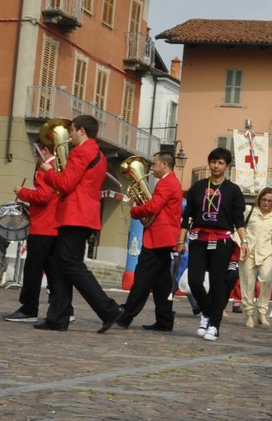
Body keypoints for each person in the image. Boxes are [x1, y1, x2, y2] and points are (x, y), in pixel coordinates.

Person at [35, 115, 123, 333]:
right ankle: (58, 317)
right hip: (84, 214)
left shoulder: (82, 151)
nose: (70, 135)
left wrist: (47, 172)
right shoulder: (98, 154)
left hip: (75, 214)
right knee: (62, 265)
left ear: (81, 131)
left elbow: (65, 184)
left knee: (71, 265)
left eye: (72, 130)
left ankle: (108, 309)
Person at [180, 148, 247, 342]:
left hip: (222, 240)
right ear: (209, 163)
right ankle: (208, 313)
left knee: (218, 284)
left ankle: (214, 326)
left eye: (220, 163)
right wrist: (180, 240)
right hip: (198, 239)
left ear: (227, 166)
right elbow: (188, 217)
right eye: (213, 161)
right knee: (194, 280)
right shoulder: (198, 187)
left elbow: (238, 219)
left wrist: (244, 241)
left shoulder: (233, 190)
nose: (216, 166)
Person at [114, 152, 182, 332]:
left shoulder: (166, 183)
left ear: (165, 165)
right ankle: (165, 320)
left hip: (158, 237)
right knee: (161, 282)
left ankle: (126, 316)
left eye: (154, 164)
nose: (151, 168)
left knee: (142, 278)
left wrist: (135, 210)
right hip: (163, 237)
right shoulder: (171, 181)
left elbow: (153, 206)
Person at [2, 169, 59, 322]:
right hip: (55, 226)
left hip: (42, 226)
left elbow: (43, 196)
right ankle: (62, 308)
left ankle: (29, 308)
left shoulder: (46, 169)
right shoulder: (61, 166)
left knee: (33, 270)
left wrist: (22, 192)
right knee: (53, 271)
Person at [239, 188, 272, 328]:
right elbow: (239, 227)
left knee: (266, 280)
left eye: (269, 200)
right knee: (248, 283)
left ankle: (262, 312)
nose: (266, 203)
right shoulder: (249, 211)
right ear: (259, 199)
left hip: (266, 252)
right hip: (248, 251)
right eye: (264, 199)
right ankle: (249, 314)